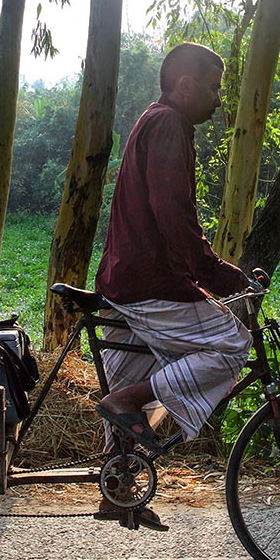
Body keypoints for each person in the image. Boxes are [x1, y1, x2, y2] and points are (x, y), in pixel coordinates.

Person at [91, 42, 254, 531]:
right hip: (149, 281)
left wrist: (210, 273)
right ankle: (124, 404)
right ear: (185, 86)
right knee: (232, 344)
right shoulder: (168, 125)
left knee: (136, 377)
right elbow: (175, 220)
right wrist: (222, 276)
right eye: (213, 87)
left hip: (129, 278)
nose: (218, 99)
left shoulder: (155, 119)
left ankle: (118, 489)